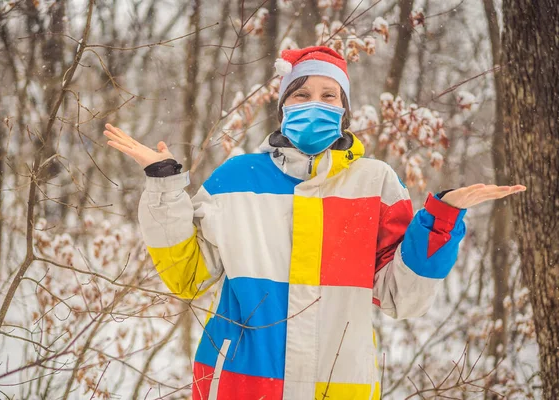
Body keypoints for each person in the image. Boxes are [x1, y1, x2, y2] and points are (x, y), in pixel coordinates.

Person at [103, 46, 525, 400]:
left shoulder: (375, 182)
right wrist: (164, 186)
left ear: (344, 109)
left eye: (328, 95)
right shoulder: (235, 178)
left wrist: (441, 219)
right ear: (283, 106)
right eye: (301, 95)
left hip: (339, 384)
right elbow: (188, 277)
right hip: (241, 382)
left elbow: (402, 298)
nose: (314, 104)